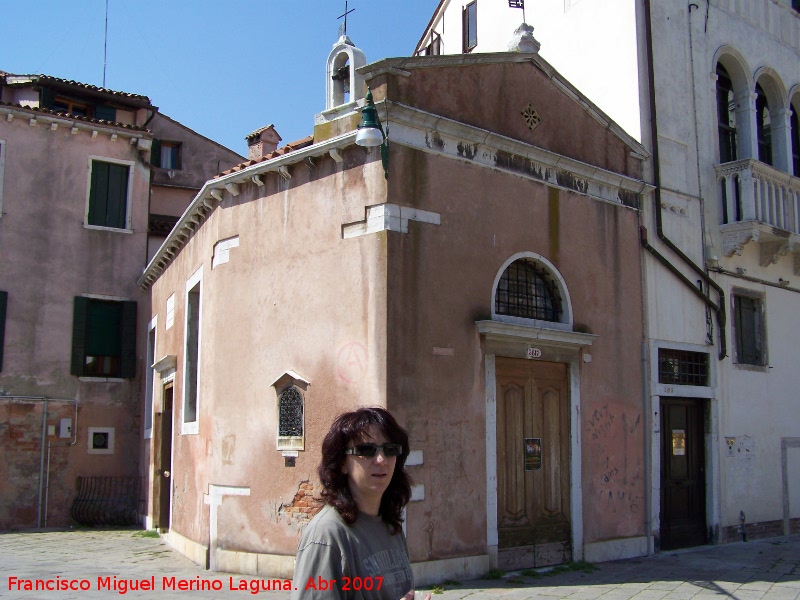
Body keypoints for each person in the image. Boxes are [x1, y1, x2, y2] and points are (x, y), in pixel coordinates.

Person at [291, 407, 430, 600]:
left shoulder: (391, 526)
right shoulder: (326, 536)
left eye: (390, 450)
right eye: (367, 450)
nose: (381, 460)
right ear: (342, 463)